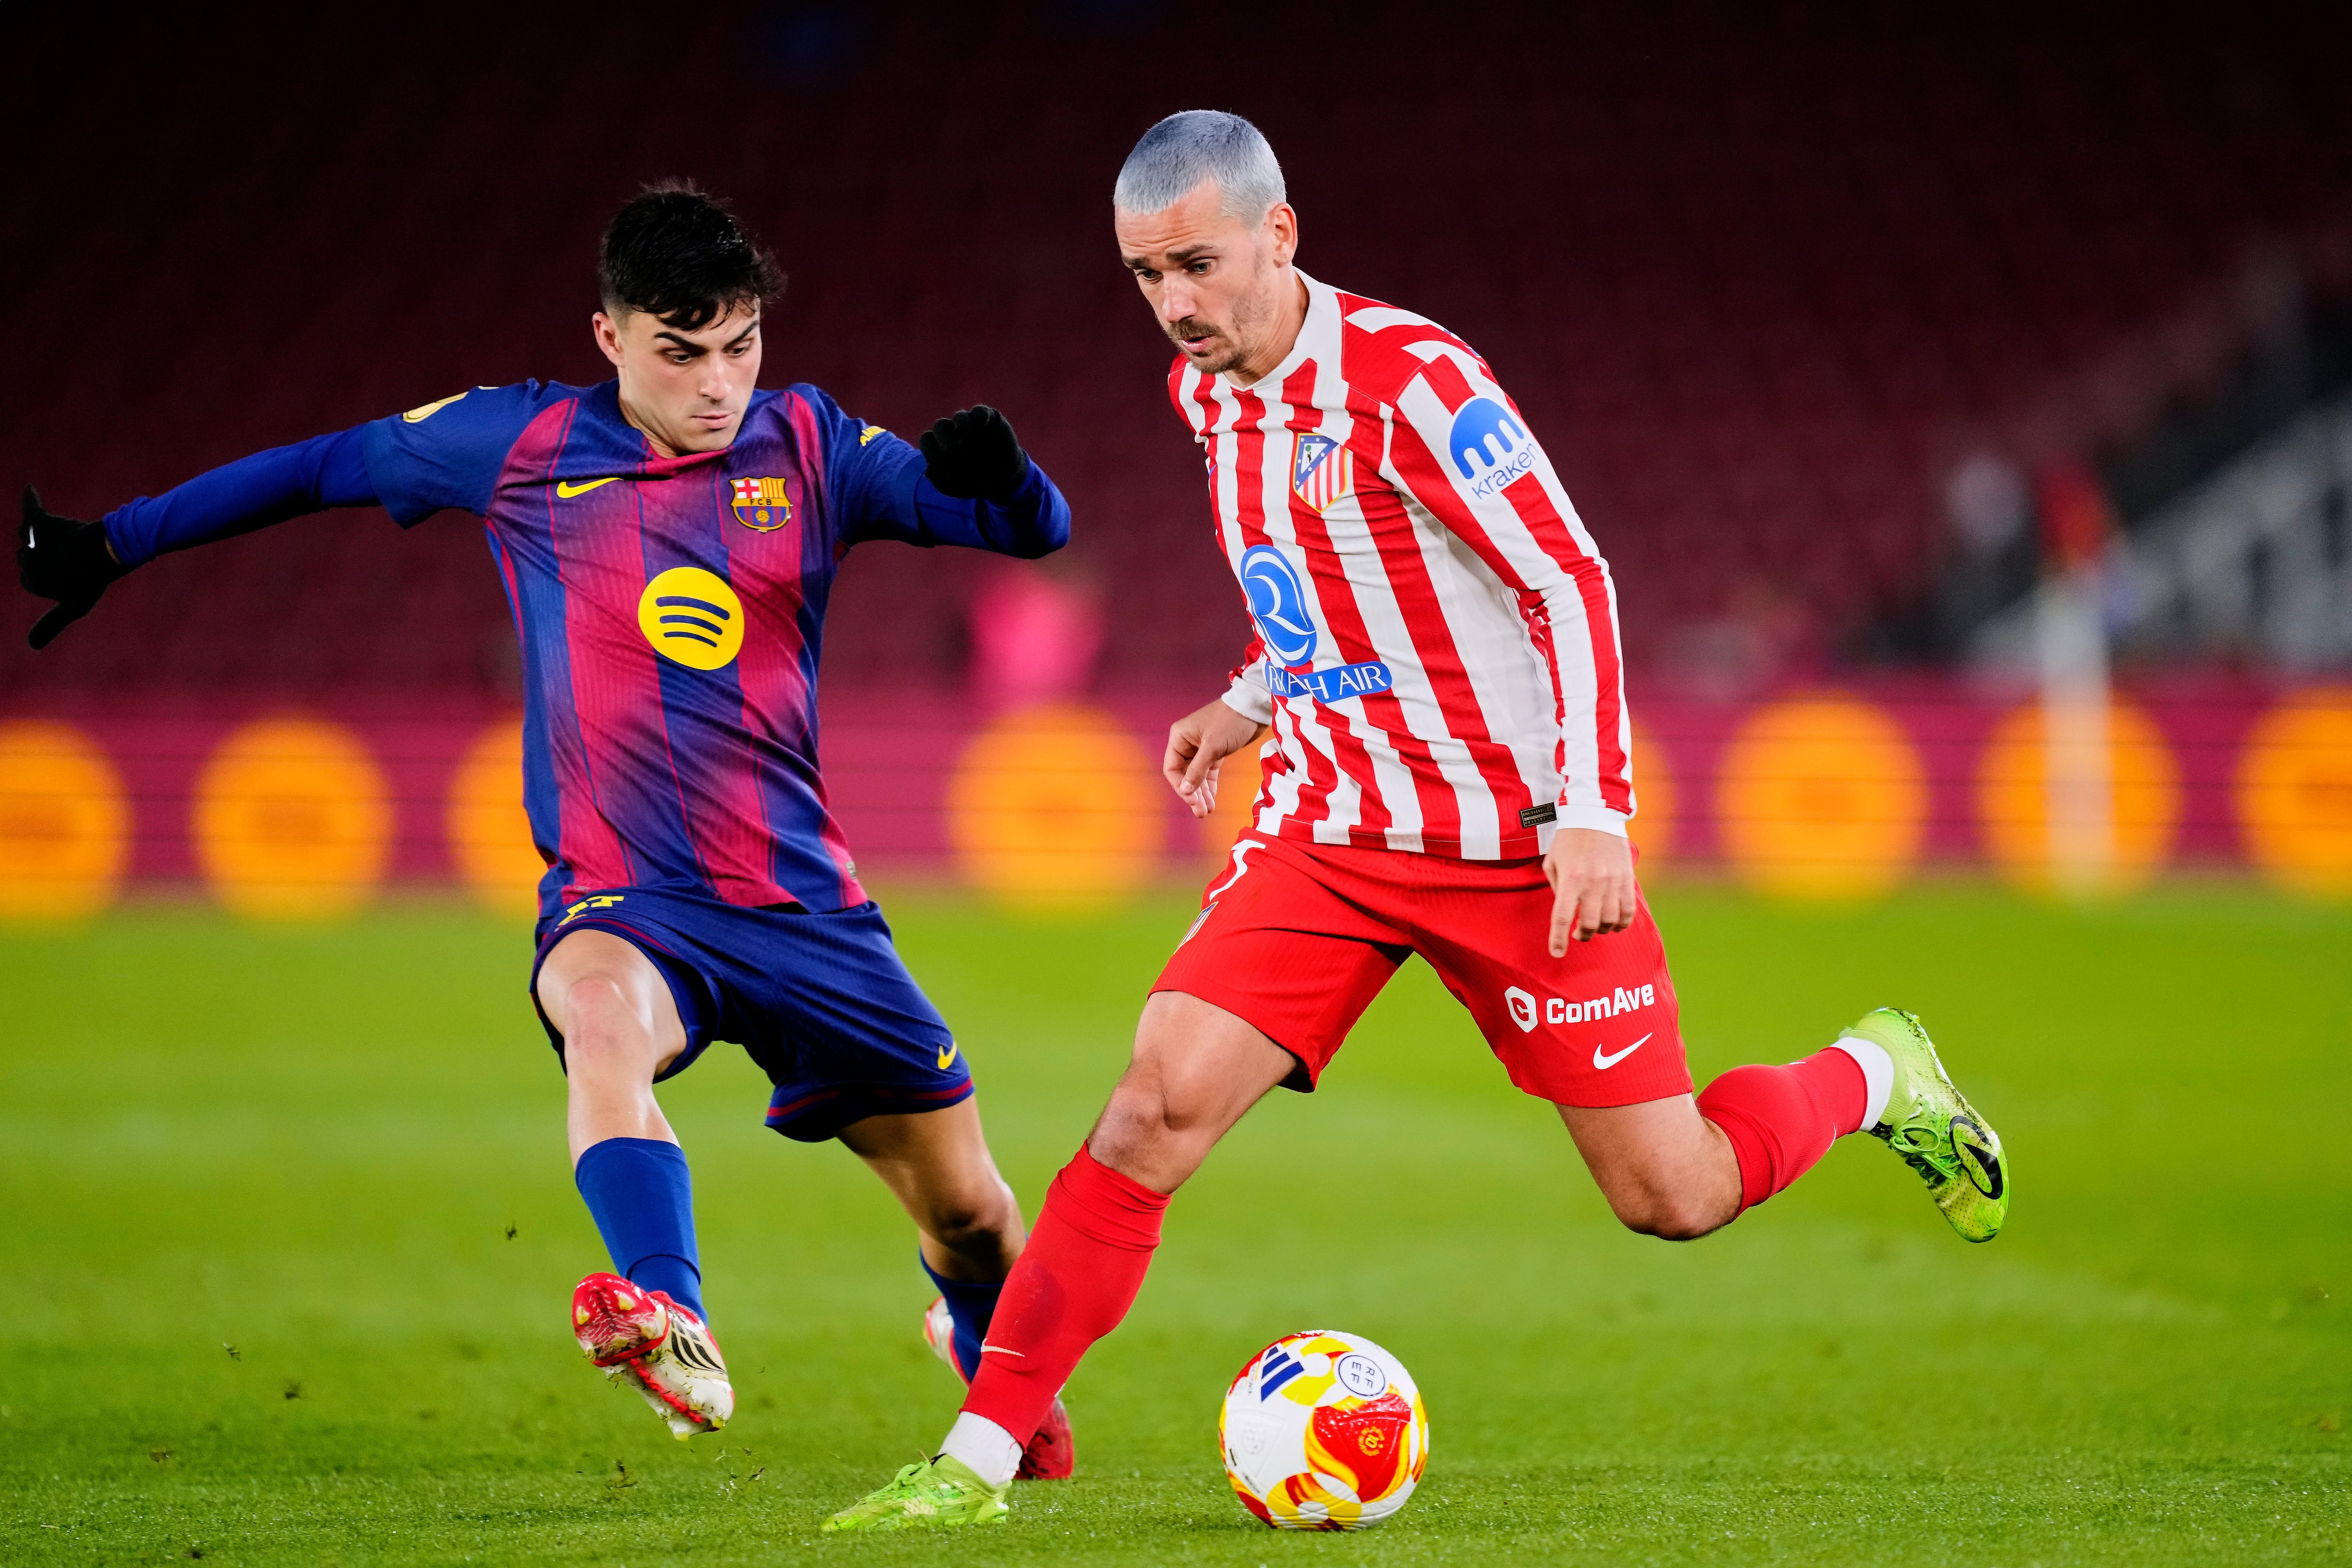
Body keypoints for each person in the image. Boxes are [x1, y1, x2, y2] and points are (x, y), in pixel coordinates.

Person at [824, 111, 2009, 1532]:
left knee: (1675, 1193)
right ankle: (977, 1462)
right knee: (1149, 1111)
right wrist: (1256, 697)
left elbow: (1567, 579)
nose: (1176, 303)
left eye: (1197, 264)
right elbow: (1332, 580)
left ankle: (1875, 1077)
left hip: (1515, 850)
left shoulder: (1414, 384)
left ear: (1282, 234)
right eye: (1147, 276)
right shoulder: (1205, 396)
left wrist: (1593, 811)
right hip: (1329, 834)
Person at [15, 181, 1077, 1475]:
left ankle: (980, 1341)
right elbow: (319, 467)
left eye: (739, 347)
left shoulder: (809, 445)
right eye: (681, 353)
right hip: (626, 896)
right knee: (600, 1017)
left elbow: (1034, 534)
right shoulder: (514, 444)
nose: (717, 384)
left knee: (967, 1211)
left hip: (805, 908)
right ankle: (671, 1310)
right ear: (609, 335)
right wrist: (112, 546)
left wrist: (1009, 482)